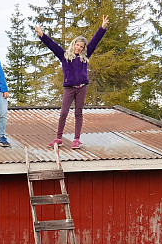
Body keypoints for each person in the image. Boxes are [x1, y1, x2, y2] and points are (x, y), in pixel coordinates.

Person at [35, 16, 109, 149]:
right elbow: (52, 45)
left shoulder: (85, 57)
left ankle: (76, 139)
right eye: (77, 45)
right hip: (69, 88)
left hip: (81, 87)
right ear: (73, 44)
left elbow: (95, 41)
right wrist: (41, 35)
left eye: (81, 46)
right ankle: (59, 138)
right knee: (63, 112)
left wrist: (102, 27)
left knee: (78, 112)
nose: (79, 48)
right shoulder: (64, 56)